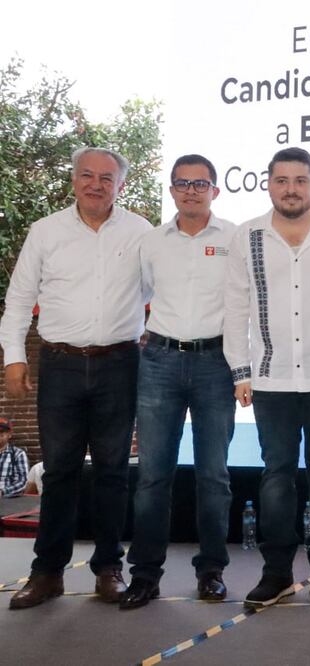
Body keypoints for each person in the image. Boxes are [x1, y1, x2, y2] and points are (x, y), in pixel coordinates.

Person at [0, 147, 151, 609]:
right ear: (74, 180)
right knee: (60, 472)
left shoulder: (141, 232)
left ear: (120, 185)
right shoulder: (45, 232)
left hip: (119, 364)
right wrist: (12, 359)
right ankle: (47, 573)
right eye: (87, 175)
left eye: (107, 178)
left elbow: (165, 289)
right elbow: (20, 299)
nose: (96, 184)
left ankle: (109, 569)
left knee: (112, 472)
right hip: (60, 364)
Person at [224, 147, 310, 608]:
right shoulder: (249, 235)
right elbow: (236, 307)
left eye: (300, 180)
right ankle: (276, 573)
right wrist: (241, 372)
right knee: (276, 477)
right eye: (282, 180)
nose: (291, 189)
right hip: (271, 379)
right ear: (269, 184)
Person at [119, 155, 237, 610]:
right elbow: (142, 294)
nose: (191, 190)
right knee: (152, 476)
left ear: (215, 190)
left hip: (216, 363)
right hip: (160, 362)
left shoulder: (234, 238)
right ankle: (145, 575)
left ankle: (212, 572)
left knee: (214, 476)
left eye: (200, 183)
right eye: (182, 183)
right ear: (171, 191)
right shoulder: (151, 243)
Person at [0, 418, 29, 498]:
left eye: (1, 432)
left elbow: (23, 481)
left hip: (8, 500)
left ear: (9, 434)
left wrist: (2, 491)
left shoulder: (18, 454)